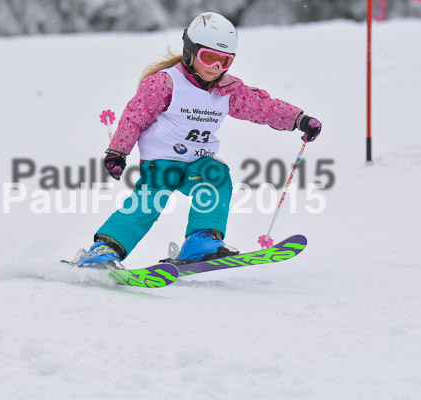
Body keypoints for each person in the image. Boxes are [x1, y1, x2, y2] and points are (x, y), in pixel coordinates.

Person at [77, 12, 322, 268]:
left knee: (216, 174)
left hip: (197, 164)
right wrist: (118, 151)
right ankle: (105, 248)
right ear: (190, 52)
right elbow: (134, 116)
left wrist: (298, 119)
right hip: (162, 164)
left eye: (224, 61)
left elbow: (263, 107)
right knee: (149, 203)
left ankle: (200, 241)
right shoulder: (166, 82)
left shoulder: (227, 90)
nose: (215, 67)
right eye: (209, 58)